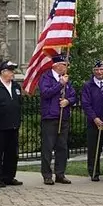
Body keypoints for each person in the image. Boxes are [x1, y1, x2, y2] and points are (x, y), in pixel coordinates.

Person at [38, 54, 77, 185]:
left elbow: (73, 95)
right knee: (48, 147)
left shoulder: (66, 79)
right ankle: (47, 175)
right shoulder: (46, 77)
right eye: (65, 65)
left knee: (62, 147)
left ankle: (60, 174)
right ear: (57, 65)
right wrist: (60, 84)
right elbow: (45, 93)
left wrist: (68, 101)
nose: (67, 67)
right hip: (50, 117)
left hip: (63, 116)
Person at [0, 60, 22, 187]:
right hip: (0, 126)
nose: (13, 73)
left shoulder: (15, 86)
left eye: (13, 71)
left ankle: (9, 176)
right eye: (10, 71)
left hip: (14, 124)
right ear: (3, 72)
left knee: (12, 153)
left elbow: (19, 103)